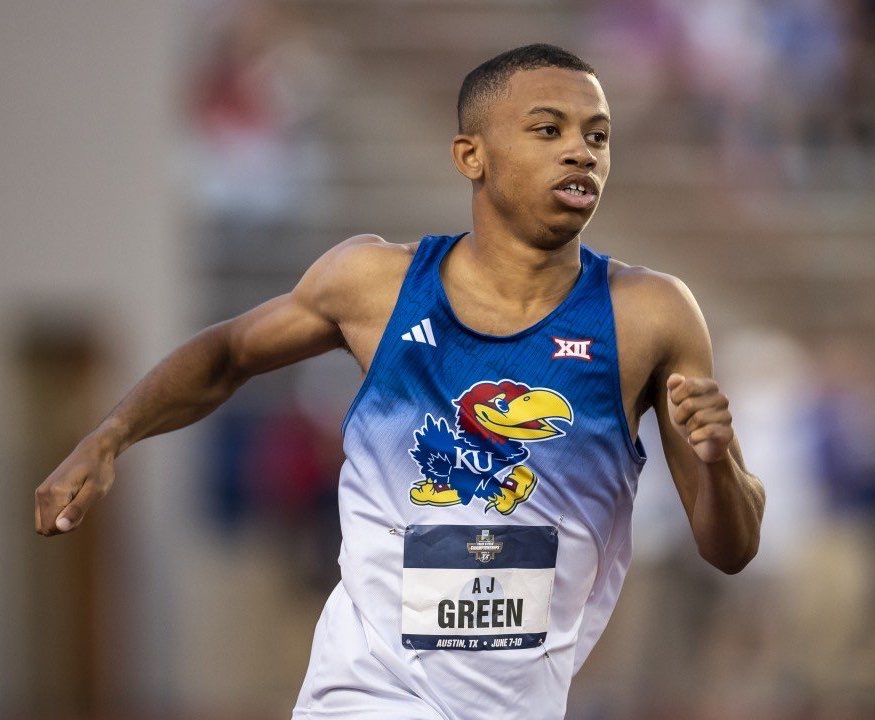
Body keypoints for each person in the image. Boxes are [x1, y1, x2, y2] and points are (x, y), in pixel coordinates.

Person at [35, 44, 765, 719]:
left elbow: (729, 548)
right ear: (470, 155)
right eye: (548, 130)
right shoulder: (375, 286)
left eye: (598, 136)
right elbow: (228, 352)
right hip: (363, 695)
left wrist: (717, 459)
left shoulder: (648, 316)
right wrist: (109, 436)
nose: (581, 150)